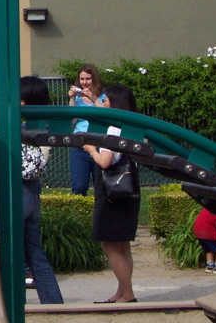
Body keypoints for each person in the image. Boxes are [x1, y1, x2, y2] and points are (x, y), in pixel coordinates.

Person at [82, 84, 141, 303]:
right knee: (123, 245)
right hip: (128, 192)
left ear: (114, 103)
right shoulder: (129, 126)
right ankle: (122, 291)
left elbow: (105, 162)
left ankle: (128, 294)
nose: (103, 103)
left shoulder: (112, 130)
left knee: (110, 245)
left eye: (106, 100)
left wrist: (91, 150)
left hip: (112, 195)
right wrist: (91, 100)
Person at [19, 76, 64, 304]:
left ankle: (13, 302)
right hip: (34, 191)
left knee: (9, 249)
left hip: (17, 191)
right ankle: (53, 302)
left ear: (23, 102)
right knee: (35, 251)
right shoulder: (45, 126)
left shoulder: (20, 127)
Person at [68, 64, 106, 196]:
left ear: (94, 79)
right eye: (82, 79)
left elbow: (108, 114)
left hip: (99, 143)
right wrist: (72, 99)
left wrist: (92, 99)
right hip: (80, 143)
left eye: (88, 79)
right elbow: (72, 119)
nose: (84, 82)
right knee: (79, 185)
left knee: (101, 186)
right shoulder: (78, 99)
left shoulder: (104, 96)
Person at [193, 207, 216, 273]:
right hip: (208, 229)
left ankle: (210, 265)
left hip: (198, 228)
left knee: (208, 246)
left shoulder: (210, 204)